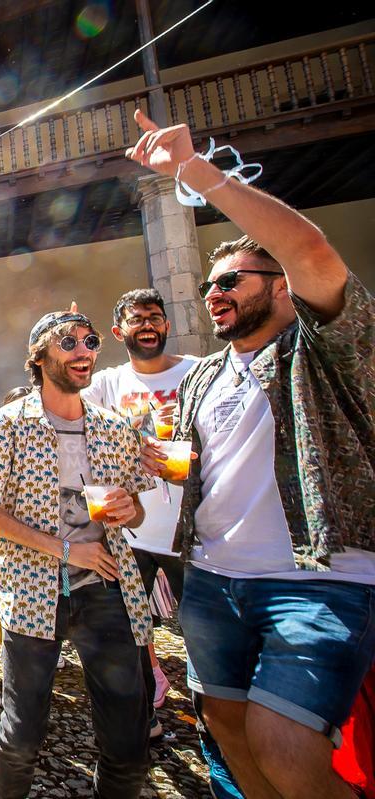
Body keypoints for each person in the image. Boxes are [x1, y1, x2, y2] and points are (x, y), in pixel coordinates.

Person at [129, 108, 375, 798]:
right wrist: (147, 473)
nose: (215, 292)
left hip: (316, 580)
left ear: (280, 284)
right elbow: (196, 470)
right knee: (230, 733)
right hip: (212, 579)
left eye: (233, 279)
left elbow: (314, 251)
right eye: (210, 285)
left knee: (287, 746)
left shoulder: (324, 348)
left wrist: (194, 172)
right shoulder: (207, 373)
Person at [0, 311, 154, 798]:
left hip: (108, 589)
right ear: (39, 357)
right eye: (68, 341)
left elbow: (135, 513)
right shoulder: (7, 424)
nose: (83, 349)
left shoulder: (114, 428)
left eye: (90, 340)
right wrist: (66, 549)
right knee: (22, 734)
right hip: (33, 592)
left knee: (128, 742)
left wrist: (128, 508)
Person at [83, 288, 198, 720]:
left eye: (155, 316)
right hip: (130, 528)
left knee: (200, 628)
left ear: (166, 324)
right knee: (132, 621)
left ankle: (212, 703)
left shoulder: (197, 373)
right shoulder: (109, 383)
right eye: (137, 319)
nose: (147, 324)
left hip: (192, 529)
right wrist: (67, 341)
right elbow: (59, 400)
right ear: (119, 330)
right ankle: (147, 691)